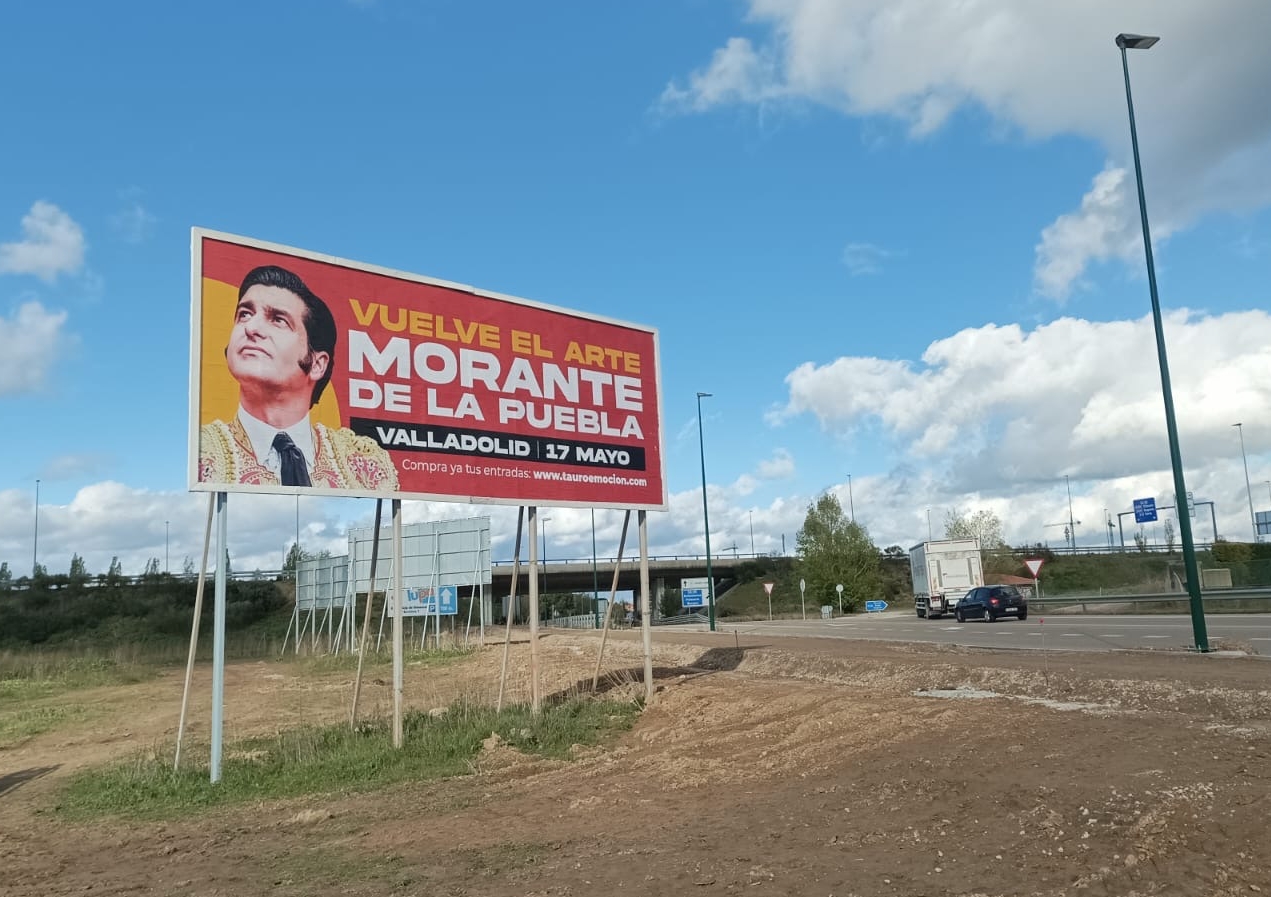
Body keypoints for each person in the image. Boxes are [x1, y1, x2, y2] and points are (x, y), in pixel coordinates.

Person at [198, 265, 398, 490]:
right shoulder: (203, 450)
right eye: (244, 314)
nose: (251, 328)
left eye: (278, 320)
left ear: (316, 363)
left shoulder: (363, 460)